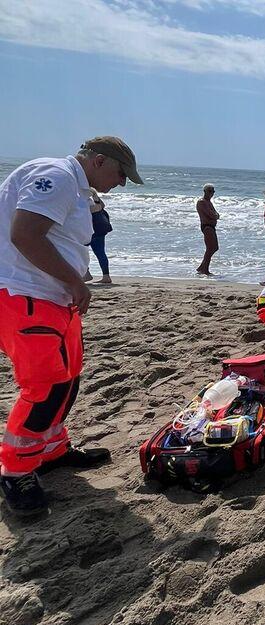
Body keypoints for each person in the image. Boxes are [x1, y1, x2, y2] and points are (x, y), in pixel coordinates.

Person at [0, 136, 143, 517]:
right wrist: (76, 281)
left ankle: (51, 450)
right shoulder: (57, 175)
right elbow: (25, 234)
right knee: (45, 386)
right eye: (121, 173)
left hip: (52, 296)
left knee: (69, 376)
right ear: (98, 161)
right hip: (24, 294)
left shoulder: (76, 185)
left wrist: (71, 283)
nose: (123, 183)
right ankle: (16, 472)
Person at [86, 188, 113, 284]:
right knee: (100, 252)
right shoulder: (92, 195)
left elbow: (95, 208)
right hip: (99, 228)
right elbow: (102, 206)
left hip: (91, 229)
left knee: (81, 251)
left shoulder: (84, 198)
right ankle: (106, 276)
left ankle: (86, 274)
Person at [196, 183, 219, 275]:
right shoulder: (202, 202)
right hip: (207, 226)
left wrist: (215, 215)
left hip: (211, 226)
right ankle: (204, 269)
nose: (211, 193)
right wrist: (215, 216)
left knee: (214, 247)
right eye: (210, 191)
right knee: (210, 248)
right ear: (205, 191)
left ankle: (202, 267)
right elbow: (212, 214)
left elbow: (216, 214)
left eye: (213, 191)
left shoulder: (209, 202)